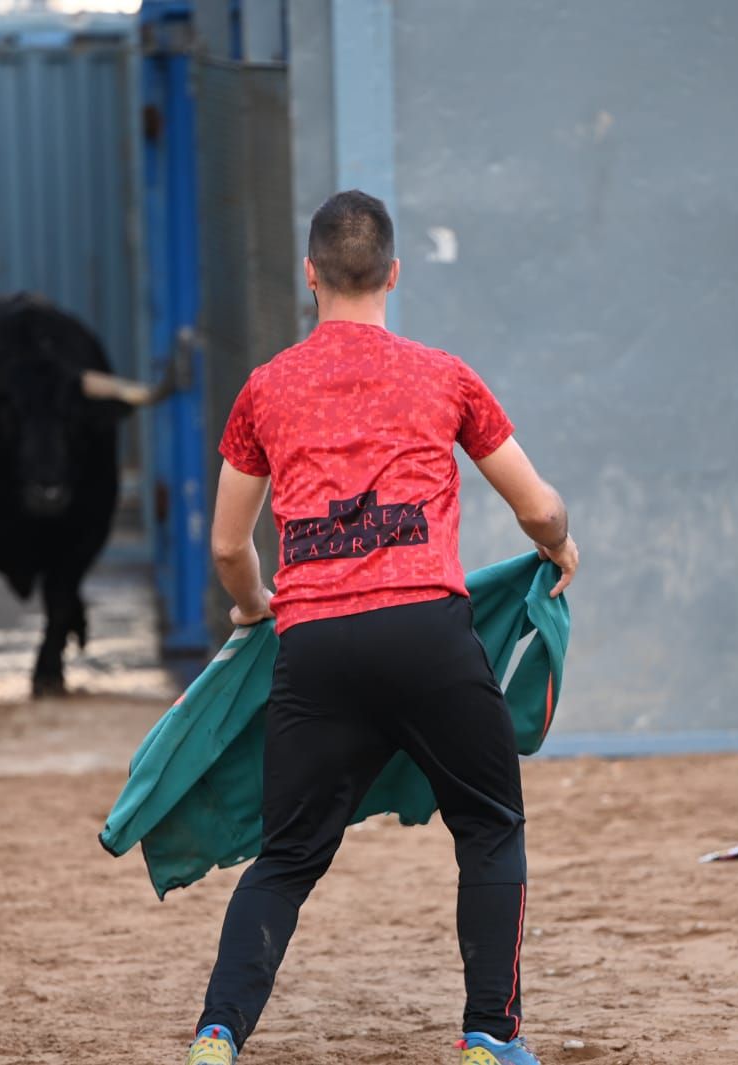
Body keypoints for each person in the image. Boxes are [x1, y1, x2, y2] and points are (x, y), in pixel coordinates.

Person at [183, 190, 578, 1065]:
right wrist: (561, 544)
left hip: (317, 647)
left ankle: (218, 1034)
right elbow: (536, 504)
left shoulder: (265, 390)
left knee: (286, 857)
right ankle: (490, 1035)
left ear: (310, 276)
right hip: (427, 636)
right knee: (488, 824)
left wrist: (255, 610)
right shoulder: (444, 375)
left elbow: (225, 546)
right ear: (394, 274)